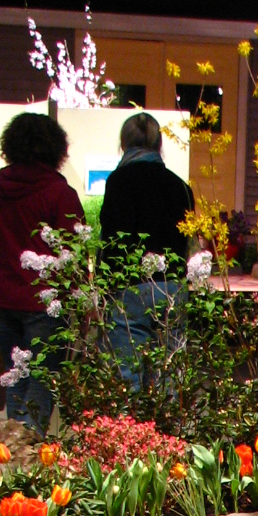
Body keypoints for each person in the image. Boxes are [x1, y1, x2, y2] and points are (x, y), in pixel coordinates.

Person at [0, 112, 83, 436]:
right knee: (42, 381)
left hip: (2, 301)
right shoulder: (60, 194)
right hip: (44, 305)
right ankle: (27, 458)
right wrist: (79, 299)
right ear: (55, 148)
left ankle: (12, 455)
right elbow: (72, 252)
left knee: (15, 379)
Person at [99, 113, 194, 389]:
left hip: (130, 288)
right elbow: (188, 243)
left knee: (129, 377)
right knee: (170, 376)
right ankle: (167, 430)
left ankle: (136, 431)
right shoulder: (180, 186)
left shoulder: (119, 181)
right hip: (173, 286)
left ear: (124, 142)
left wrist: (105, 290)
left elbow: (111, 239)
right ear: (159, 144)